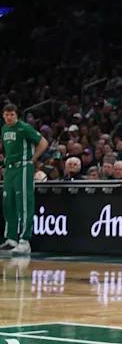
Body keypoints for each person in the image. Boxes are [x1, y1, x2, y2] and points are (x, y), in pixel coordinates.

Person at [1, 104, 49, 256]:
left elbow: (43, 143)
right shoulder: (4, 129)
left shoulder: (24, 128)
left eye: (12, 115)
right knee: (8, 203)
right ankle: (11, 239)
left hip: (23, 167)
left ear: (17, 115)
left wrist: (32, 160)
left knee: (24, 203)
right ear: (3, 115)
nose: (9, 117)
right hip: (9, 168)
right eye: (6, 114)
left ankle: (25, 240)